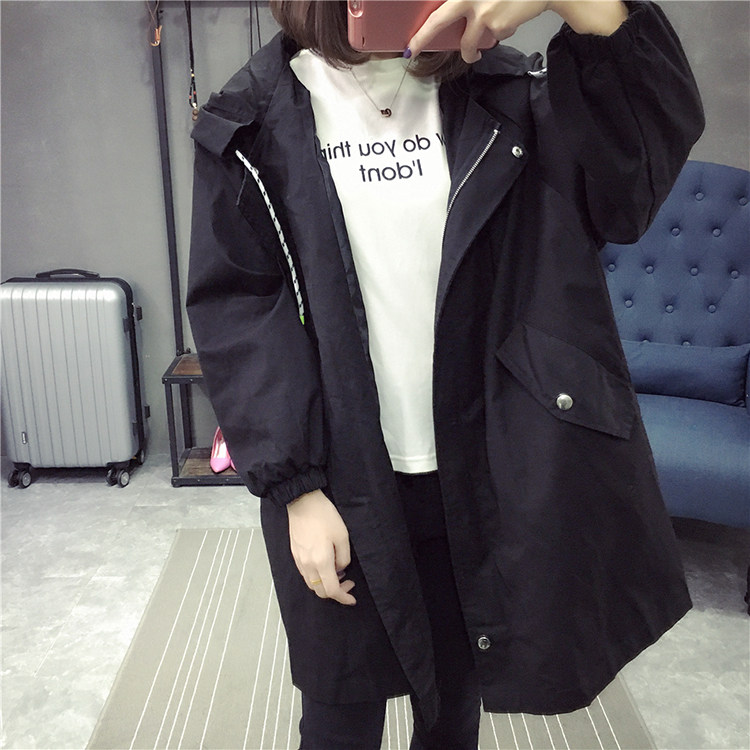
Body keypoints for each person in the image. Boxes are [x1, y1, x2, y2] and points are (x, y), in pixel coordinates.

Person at [187, 1, 704, 747]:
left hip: (482, 466)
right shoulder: (248, 124)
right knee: (339, 712)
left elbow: (627, 191)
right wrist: (295, 488)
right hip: (340, 477)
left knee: (454, 705)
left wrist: (586, 3)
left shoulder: (511, 94)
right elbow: (241, 311)